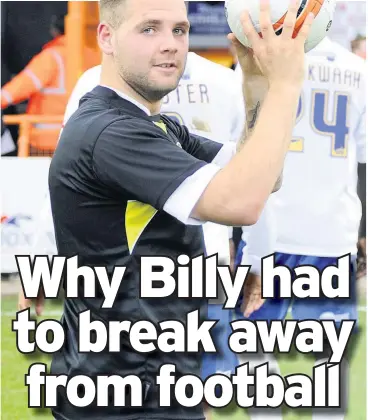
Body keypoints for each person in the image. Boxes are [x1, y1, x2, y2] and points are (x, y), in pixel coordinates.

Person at [19, 0, 314, 419]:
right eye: (149, 30)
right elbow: (241, 203)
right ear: (107, 37)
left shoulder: (159, 125)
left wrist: (255, 81)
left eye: (179, 30)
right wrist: (286, 86)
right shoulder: (111, 133)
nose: (170, 44)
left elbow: (265, 177)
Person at [236, 36, 366, 420]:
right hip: (331, 233)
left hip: (267, 232)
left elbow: (239, 152)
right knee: (330, 356)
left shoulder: (261, 61)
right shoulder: (358, 71)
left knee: (255, 348)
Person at [1, 15, 99, 153]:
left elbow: (21, 86)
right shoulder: (92, 55)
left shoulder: (52, 56)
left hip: (47, 141)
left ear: (54, 31)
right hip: (83, 140)